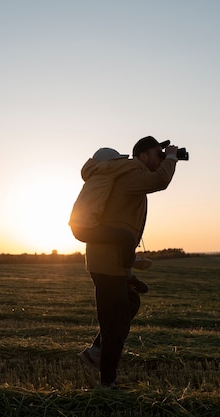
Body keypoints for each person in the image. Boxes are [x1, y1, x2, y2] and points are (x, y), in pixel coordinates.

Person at [75, 136, 179, 388]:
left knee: (130, 303)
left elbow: (120, 223)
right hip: (106, 262)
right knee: (116, 325)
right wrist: (173, 157)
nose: (161, 159)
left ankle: (97, 351)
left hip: (108, 260)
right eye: (158, 154)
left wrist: (131, 258)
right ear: (142, 155)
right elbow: (160, 180)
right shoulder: (131, 173)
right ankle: (107, 381)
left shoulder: (127, 177)